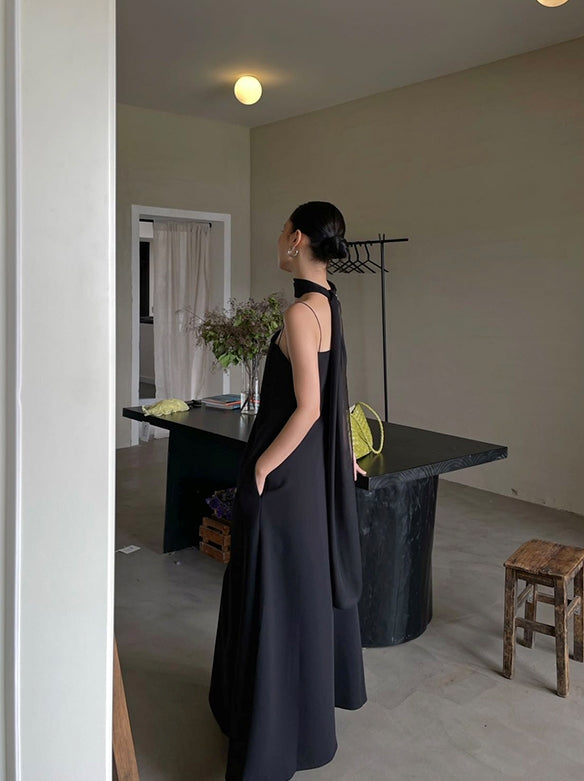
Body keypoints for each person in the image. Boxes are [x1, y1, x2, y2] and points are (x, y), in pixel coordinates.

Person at [209, 201, 368, 781]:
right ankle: (295, 730)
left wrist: (260, 468)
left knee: (270, 602)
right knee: (293, 601)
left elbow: (311, 406)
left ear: (297, 239)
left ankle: (268, 740)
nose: (279, 239)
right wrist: (344, 455)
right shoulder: (330, 304)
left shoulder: (301, 312)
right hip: (309, 481)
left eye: (282, 231)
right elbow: (338, 390)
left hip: (283, 479)